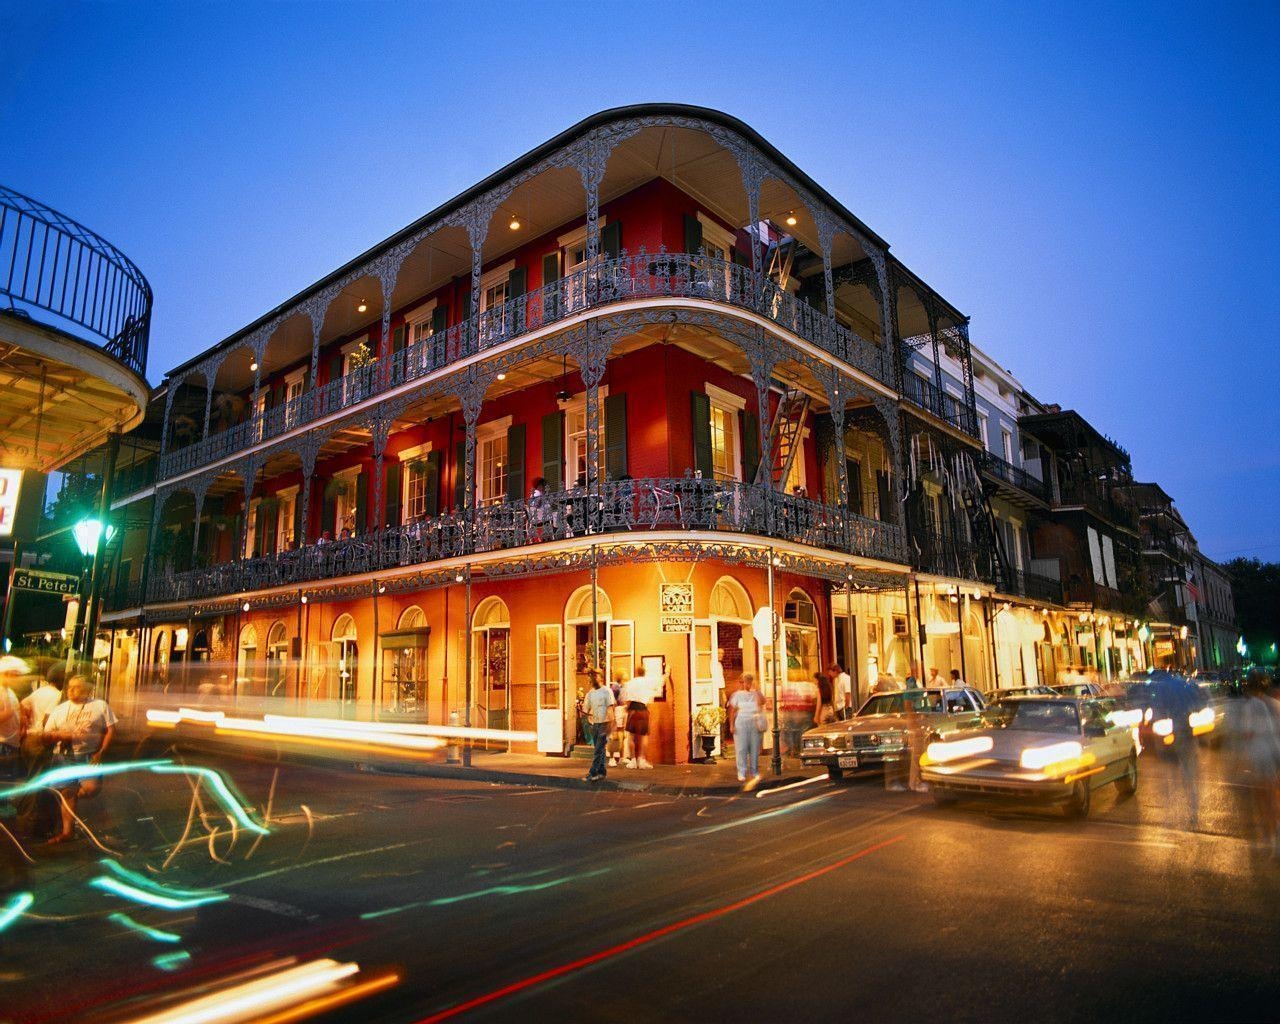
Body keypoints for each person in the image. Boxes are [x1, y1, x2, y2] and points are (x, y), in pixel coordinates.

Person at [38, 676, 117, 844]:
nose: (71, 690)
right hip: (64, 756)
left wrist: (101, 752)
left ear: (87, 690)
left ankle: (70, 799)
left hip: (89, 755)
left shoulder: (100, 706)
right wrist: (56, 736)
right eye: (70, 687)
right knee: (67, 792)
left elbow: (111, 730)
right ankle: (67, 832)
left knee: (91, 789)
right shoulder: (59, 710)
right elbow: (45, 736)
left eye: (77, 687)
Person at [727, 673, 766, 787]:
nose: (748, 684)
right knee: (741, 748)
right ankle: (741, 771)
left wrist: (757, 689)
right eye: (746, 681)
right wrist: (731, 725)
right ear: (742, 682)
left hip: (754, 722)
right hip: (741, 722)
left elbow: (763, 701)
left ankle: (754, 771)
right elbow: (732, 711)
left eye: (750, 681)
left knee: (754, 748)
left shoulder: (755, 694)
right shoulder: (737, 695)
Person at [583, 669, 615, 782]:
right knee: (600, 749)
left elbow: (610, 708)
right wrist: (588, 716)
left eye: (594, 676)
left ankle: (593, 772)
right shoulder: (590, 693)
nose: (592, 678)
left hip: (604, 723)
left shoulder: (607, 691)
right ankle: (602, 772)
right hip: (594, 723)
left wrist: (611, 723)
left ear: (601, 677)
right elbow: (586, 709)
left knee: (598, 749)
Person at [622, 670, 654, 769]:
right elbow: (650, 700)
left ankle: (633, 761)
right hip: (643, 709)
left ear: (637, 673)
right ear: (644, 673)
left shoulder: (630, 683)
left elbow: (627, 699)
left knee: (631, 736)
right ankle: (642, 760)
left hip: (632, 709)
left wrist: (627, 709)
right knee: (644, 736)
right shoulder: (648, 683)